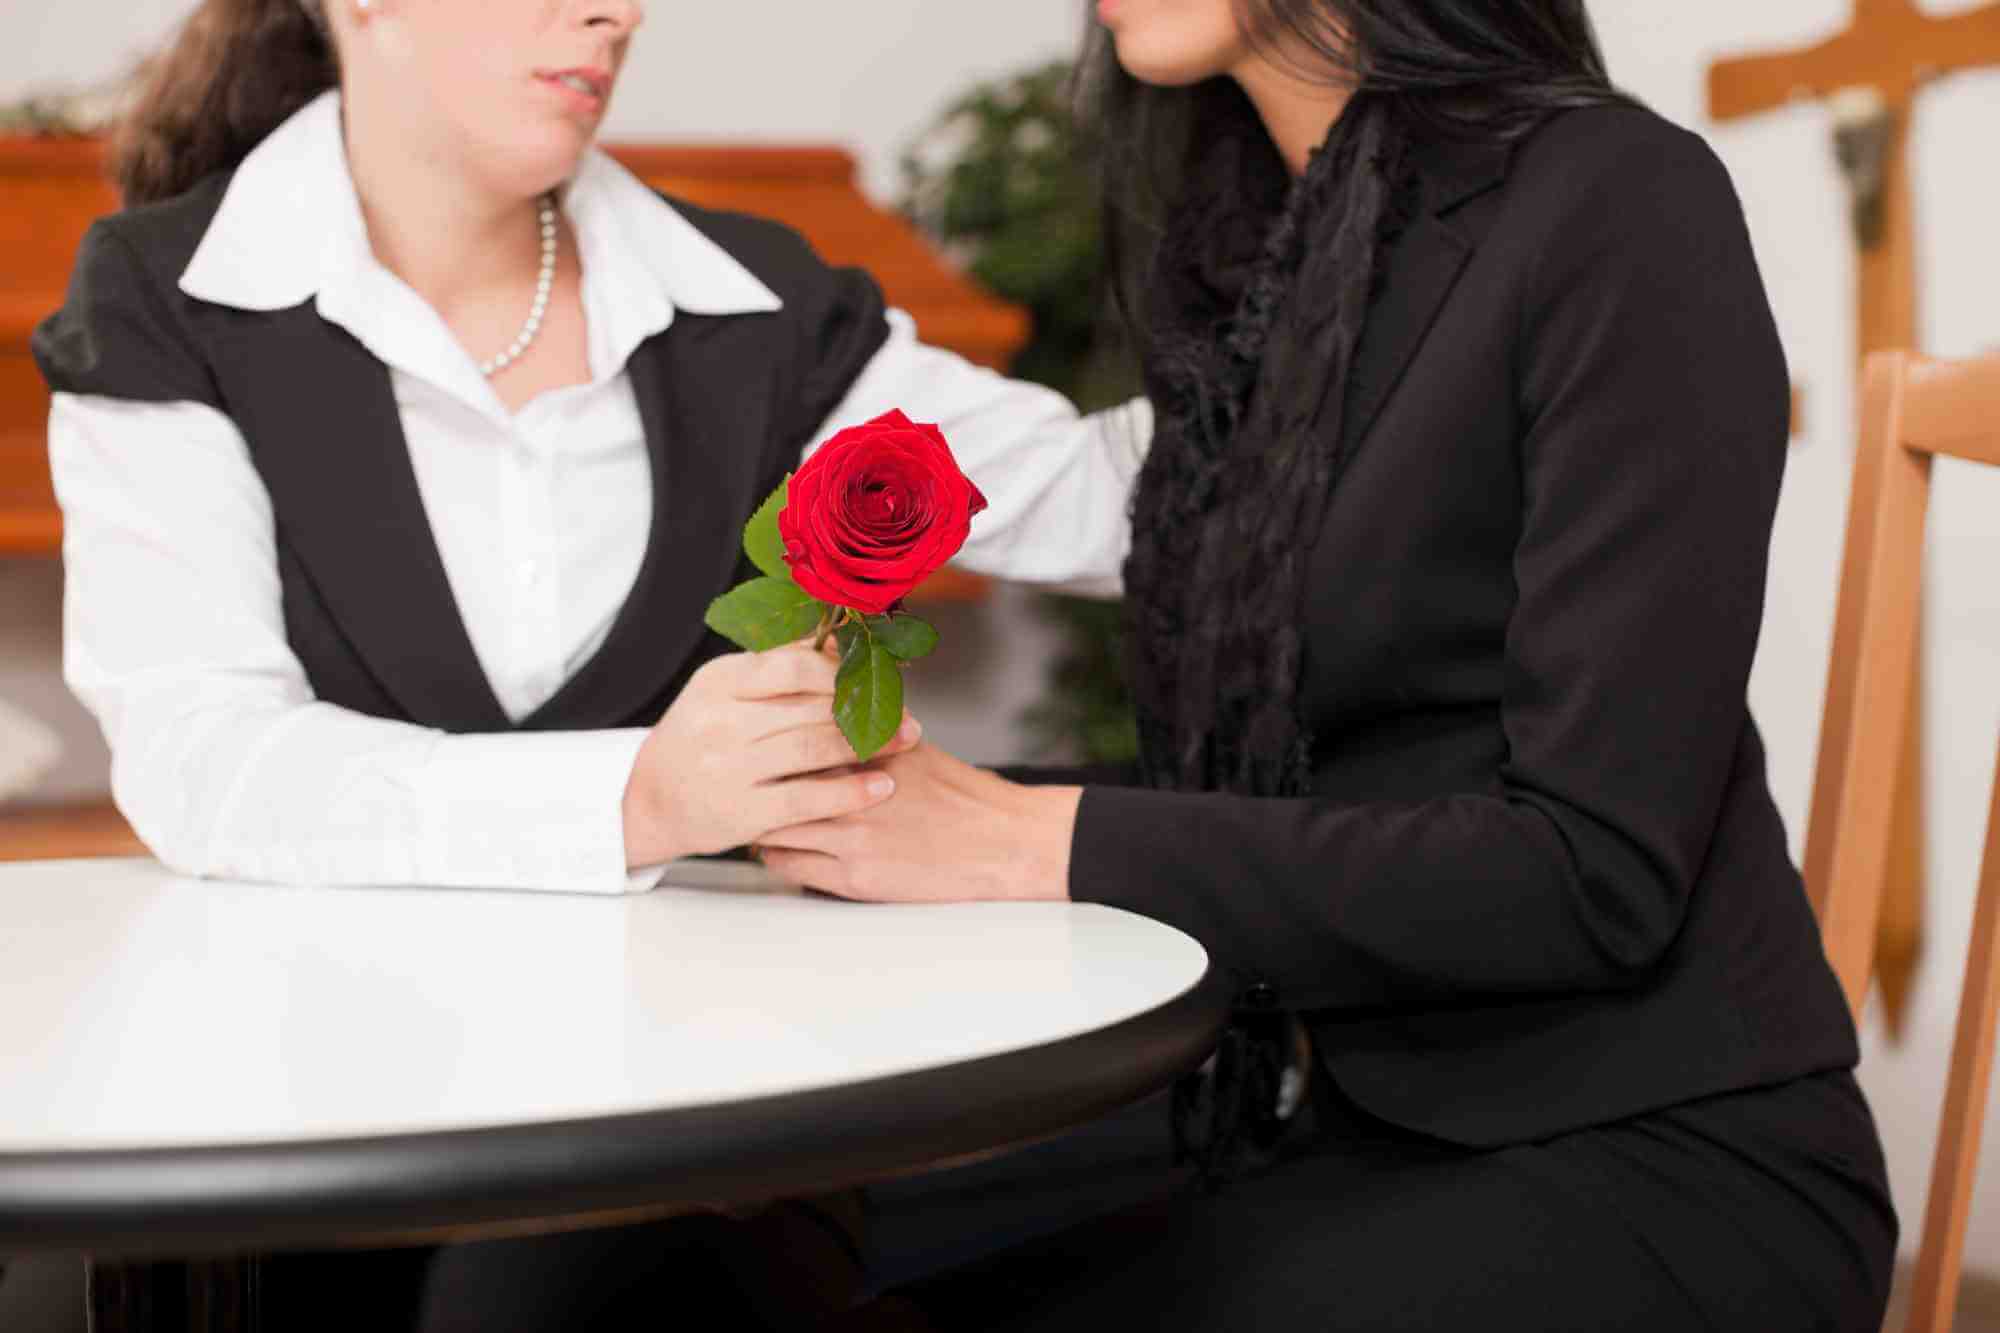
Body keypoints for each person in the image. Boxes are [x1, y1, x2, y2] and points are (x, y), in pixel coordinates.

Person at [752, 2, 1902, 1329]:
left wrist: (1037, 839)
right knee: (738, 1257)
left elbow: (1596, 867)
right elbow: (1294, 778)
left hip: (1663, 1153)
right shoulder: (1255, 249)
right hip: (1318, 1116)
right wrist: (888, 812)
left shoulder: (1621, 202)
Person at [32, 0, 1145, 1325]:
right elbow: (204, 757)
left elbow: (1116, 501)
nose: (612, 10)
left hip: (677, 1134)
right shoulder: (170, 302)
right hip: (307, 1116)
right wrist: (640, 799)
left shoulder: (757, 304)